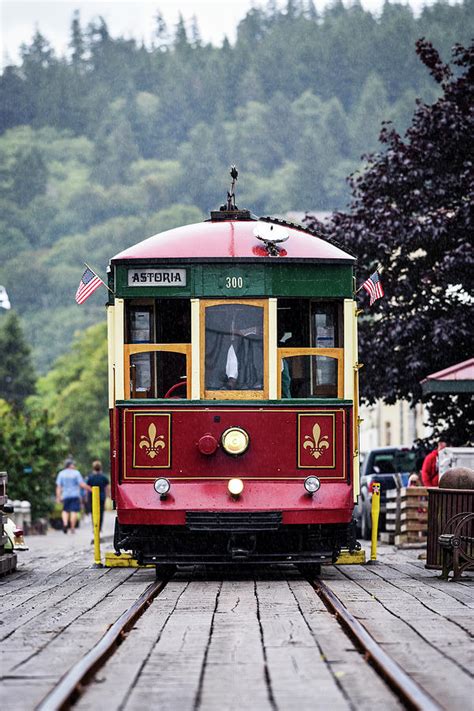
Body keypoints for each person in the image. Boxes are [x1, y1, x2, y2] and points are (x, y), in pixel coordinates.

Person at [56, 459, 91, 534]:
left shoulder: (61, 474)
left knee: (65, 510)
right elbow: (81, 484)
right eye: (73, 465)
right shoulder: (76, 473)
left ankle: (65, 524)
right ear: (70, 465)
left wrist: (58, 497)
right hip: (74, 495)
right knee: (74, 511)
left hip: (65, 495)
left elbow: (58, 486)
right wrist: (90, 489)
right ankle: (72, 528)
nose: (74, 466)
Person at [86, 460, 110, 533]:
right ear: (100, 467)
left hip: (92, 497)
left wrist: (87, 497)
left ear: (93, 468)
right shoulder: (104, 477)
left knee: (93, 512)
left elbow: (87, 487)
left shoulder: (90, 477)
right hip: (102, 497)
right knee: (101, 512)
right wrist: (108, 495)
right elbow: (107, 487)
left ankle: (95, 527)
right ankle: (100, 527)